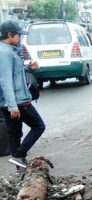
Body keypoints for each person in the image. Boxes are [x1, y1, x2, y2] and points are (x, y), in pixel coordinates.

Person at [0, 20, 46, 169]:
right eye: (18, 35)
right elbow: (5, 80)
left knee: (15, 135)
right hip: (16, 102)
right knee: (39, 126)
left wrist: (28, 68)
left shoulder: (9, 49)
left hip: (10, 101)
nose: (20, 38)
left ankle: (19, 168)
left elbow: (14, 74)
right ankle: (20, 155)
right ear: (9, 35)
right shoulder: (4, 52)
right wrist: (12, 106)